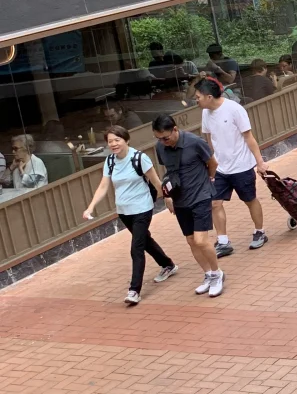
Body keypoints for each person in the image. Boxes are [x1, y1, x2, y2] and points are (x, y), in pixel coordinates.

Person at [83, 127, 176, 306]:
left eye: (117, 140)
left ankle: (134, 291)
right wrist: (90, 207)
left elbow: (156, 181)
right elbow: (103, 186)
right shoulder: (110, 161)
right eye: (110, 141)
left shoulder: (139, 158)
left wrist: (167, 198)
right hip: (124, 211)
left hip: (142, 208)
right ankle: (168, 265)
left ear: (126, 140)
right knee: (144, 240)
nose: (113, 144)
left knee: (136, 248)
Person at [194, 78, 269, 256]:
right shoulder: (206, 113)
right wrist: (210, 162)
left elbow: (249, 137)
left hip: (241, 166)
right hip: (220, 168)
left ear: (209, 96)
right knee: (215, 203)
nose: (196, 100)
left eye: (198, 97)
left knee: (250, 199)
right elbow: (209, 139)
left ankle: (260, 232)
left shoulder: (235, 109)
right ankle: (223, 241)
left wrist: (260, 162)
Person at [152, 112, 224, 296]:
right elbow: (168, 171)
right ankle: (207, 274)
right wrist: (167, 196)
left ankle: (217, 273)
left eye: (165, 138)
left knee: (201, 240)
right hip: (180, 199)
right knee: (191, 240)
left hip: (200, 195)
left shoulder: (195, 142)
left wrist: (208, 180)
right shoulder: (160, 148)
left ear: (175, 130)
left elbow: (212, 163)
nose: (163, 142)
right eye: (159, 138)